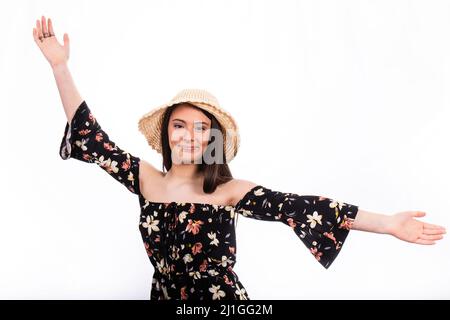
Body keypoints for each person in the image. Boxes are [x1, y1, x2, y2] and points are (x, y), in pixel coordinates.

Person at [33, 16, 446, 300]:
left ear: (213, 140)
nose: (190, 136)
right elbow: (91, 136)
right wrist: (60, 68)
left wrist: (388, 223)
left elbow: (309, 209)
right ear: (166, 135)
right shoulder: (144, 179)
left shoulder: (229, 191)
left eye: (201, 128)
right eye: (179, 126)